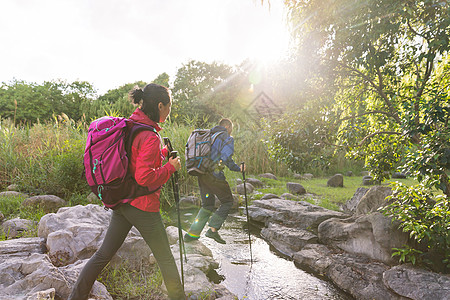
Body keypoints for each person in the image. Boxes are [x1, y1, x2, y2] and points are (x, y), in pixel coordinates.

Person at [68, 83, 185, 300]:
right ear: (160, 105)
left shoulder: (131, 125)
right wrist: (170, 167)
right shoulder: (149, 135)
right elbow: (144, 177)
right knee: (165, 258)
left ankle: (76, 297)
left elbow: (132, 160)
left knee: (103, 254)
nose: (170, 111)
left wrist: (161, 153)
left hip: (122, 202)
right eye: (169, 106)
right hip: (142, 206)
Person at [184, 118, 244, 244]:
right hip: (215, 175)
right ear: (227, 126)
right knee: (228, 201)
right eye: (231, 128)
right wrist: (238, 168)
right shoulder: (226, 137)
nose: (231, 131)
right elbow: (226, 157)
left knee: (207, 205)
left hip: (202, 173)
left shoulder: (209, 136)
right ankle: (213, 230)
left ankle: (192, 234)